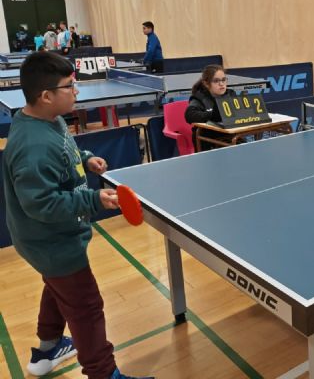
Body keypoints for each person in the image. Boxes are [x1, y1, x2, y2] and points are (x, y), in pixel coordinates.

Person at [3, 51, 154, 379]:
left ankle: (49, 348)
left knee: (57, 287)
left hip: (47, 241)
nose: (76, 91)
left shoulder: (48, 119)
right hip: (51, 241)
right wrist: (93, 199)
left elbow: (64, 149)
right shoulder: (32, 146)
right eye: (69, 86)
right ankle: (104, 373)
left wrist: (84, 158)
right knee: (86, 307)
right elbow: (41, 204)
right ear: (46, 95)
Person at [184, 64, 237, 151]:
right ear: (206, 83)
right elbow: (189, 115)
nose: (221, 84)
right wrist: (213, 115)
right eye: (216, 81)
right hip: (207, 140)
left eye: (223, 80)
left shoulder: (230, 94)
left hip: (229, 137)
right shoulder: (199, 97)